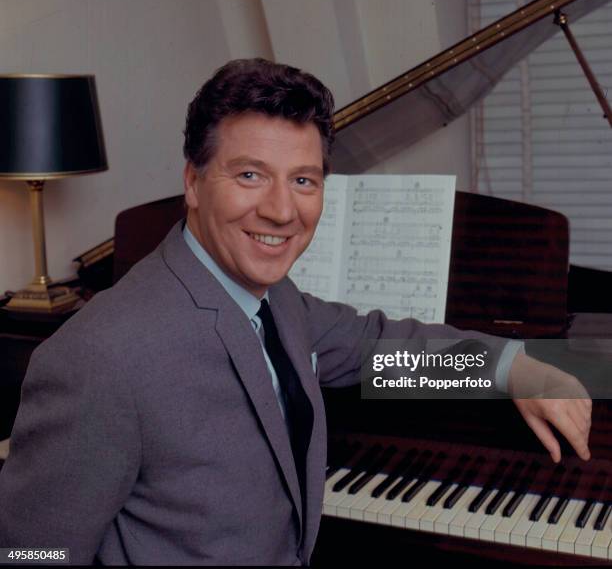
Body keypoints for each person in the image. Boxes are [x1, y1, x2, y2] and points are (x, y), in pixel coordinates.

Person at [0, 58, 591, 565]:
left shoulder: (277, 300)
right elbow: (30, 553)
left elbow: (378, 351)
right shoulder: (98, 357)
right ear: (194, 182)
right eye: (250, 175)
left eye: (303, 180)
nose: (283, 211)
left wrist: (517, 367)